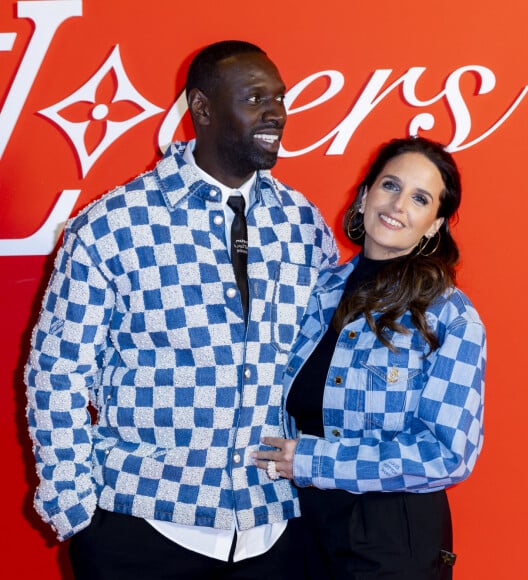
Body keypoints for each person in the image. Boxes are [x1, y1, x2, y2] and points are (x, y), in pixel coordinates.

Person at [24, 40, 338, 579]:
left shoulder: (303, 224)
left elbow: (325, 367)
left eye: (280, 98)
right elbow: (57, 372)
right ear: (203, 109)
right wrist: (76, 512)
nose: (276, 113)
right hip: (142, 530)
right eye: (256, 97)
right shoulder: (111, 226)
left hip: (274, 534)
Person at [254, 136, 486, 579]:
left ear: (434, 224)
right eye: (390, 186)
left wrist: (316, 461)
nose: (398, 205)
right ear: (364, 197)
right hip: (298, 527)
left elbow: (448, 453)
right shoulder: (314, 294)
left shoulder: (449, 315)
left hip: (391, 539)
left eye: (419, 199)